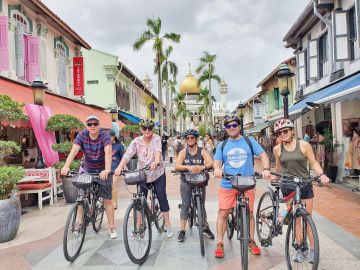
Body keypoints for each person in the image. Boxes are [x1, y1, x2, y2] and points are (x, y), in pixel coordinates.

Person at [272, 118, 330, 263]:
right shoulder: (277, 149)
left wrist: (321, 175)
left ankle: (312, 249)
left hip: (304, 184)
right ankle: (299, 247)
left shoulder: (304, 145)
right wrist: (275, 178)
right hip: (288, 185)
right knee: (296, 219)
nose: (283, 134)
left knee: (307, 217)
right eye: (279, 132)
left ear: (292, 131)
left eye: (285, 131)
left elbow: (314, 162)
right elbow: (279, 167)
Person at [213, 113, 271, 258]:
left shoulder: (249, 141)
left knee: (250, 213)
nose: (231, 128)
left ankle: (251, 240)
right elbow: (217, 162)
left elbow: (263, 155)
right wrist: (217, 169)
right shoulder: (223, 145)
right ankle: (220, 243)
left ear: (239, 126)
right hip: (228, 183)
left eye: (234, 125)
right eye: (228, 126)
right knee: (223, 213)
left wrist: (265, 169)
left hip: (247, 183)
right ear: (225, 128)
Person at [115, 118, 174, 238]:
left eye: (150, 128)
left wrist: (156, 162)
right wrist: (119, 167)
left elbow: (158, 152)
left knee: (162, 197)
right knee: (139, 199)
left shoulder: (156, 139)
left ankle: (168, 224)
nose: (147, 131)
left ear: (153, 129)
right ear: (141, 129)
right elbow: (127, 155)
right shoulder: (136, 141)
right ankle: (138, 225)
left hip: (157, 173)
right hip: (143, 174)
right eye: (145, 128)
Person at [61, 115, 117, 239]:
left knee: (107, 200)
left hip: (103, 170)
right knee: (81, 197)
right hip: (87, 169)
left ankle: (112, 228)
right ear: (86, 126)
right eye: (90, 124)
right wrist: (66, 166)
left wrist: (107, 170)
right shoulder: (82, 135)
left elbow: (108, 152)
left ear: (99, 125)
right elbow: (74, 151)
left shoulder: (105, 136)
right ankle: (79, 223)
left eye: (95, 124)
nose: (92, 126)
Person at [175, 129, 215, 242]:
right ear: (185, 140)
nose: (190, 139)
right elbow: (177, 166)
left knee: (201, 205)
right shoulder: (183, 152)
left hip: (199, 181)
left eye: (192, 137)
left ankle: (205, 228)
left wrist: (202, 167)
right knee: (185, 205)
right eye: (187, 138)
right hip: (186, 181)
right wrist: (188, 167)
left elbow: (210, 162)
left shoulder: (202, 151)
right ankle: (182, 230)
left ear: (196, 139)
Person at [109, 130, 124, 210]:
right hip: (107, 169)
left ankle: (115, 202)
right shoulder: (106, 145)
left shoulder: (119, 146)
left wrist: (122, 168)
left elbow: (123, 158)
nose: (108, 139)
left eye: (109, 137)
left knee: (113, 184)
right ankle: (109, 201)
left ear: (114, 136)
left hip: (116, 169)